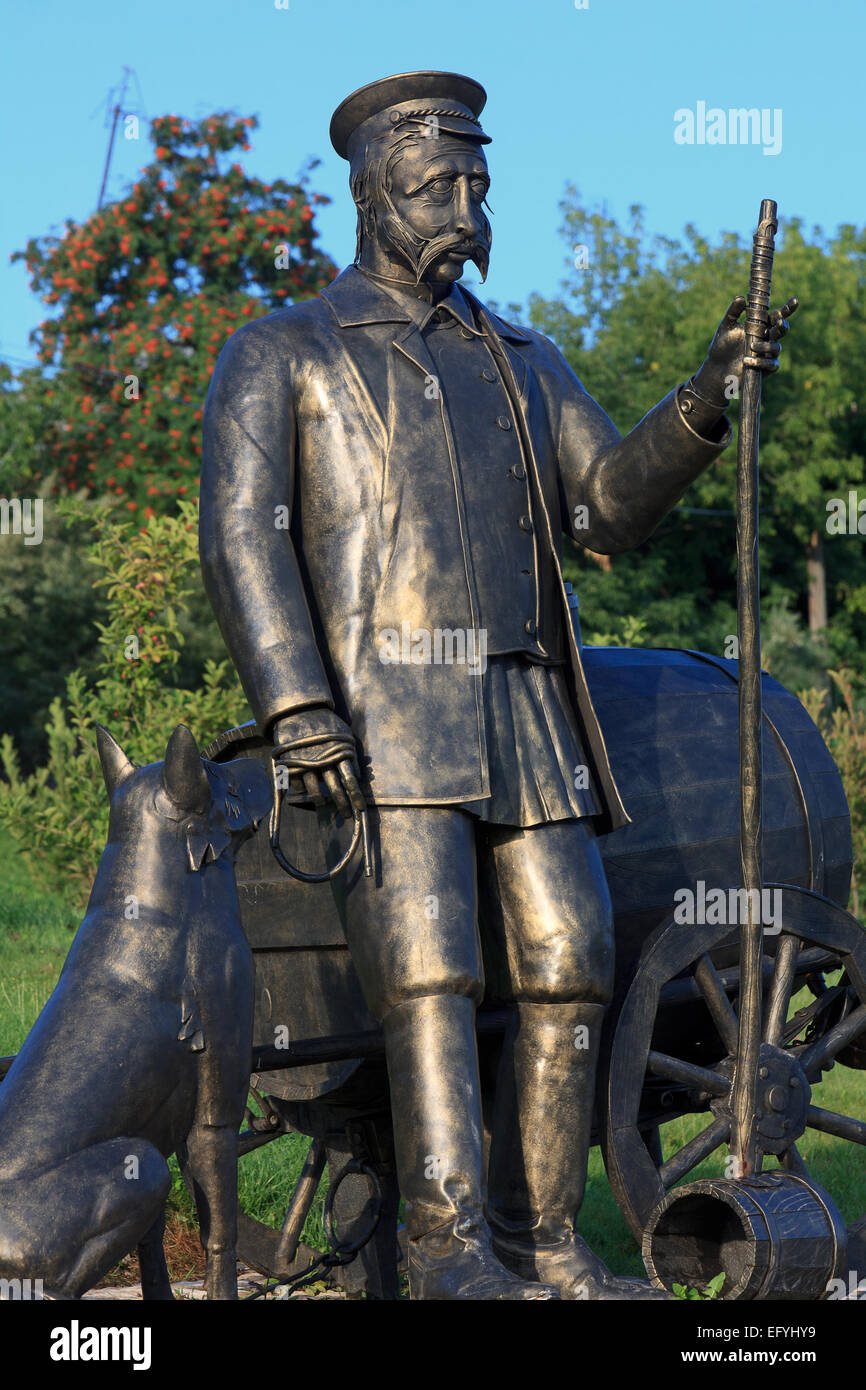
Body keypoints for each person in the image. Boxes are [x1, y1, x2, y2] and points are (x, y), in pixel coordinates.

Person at [199, 71, 791, 1299]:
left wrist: (703, 395)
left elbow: (605, 512)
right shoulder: (282, 352)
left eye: (475, 184)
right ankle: (444, 1244)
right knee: (425, 967)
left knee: (569, 956)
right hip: (385, 711)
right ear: (373, 193)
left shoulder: (521, 356)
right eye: (436, 185)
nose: (463, 206)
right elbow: (240, 540)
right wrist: (298, 706)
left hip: (523, 703)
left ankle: (546, 1239)